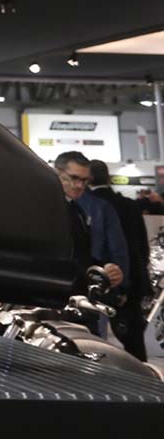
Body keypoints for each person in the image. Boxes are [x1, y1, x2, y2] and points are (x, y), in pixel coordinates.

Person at [87, 159, 150, 360]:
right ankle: (141, 376)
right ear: (108, 177)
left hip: (101, 280)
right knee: (134, 340)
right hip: (133, 280)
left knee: (93, 339)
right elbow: (143, 246)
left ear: (88, 178)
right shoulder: (129, 204)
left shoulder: (86, 205)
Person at [54, 152, 127, 289]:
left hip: (73, 290)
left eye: (84, 180)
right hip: (54, 290)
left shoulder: (76, 209)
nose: (79, 185)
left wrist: (104, 270)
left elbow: (82, 255)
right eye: (74, 178)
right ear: (57, 173)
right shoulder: (45, 208)